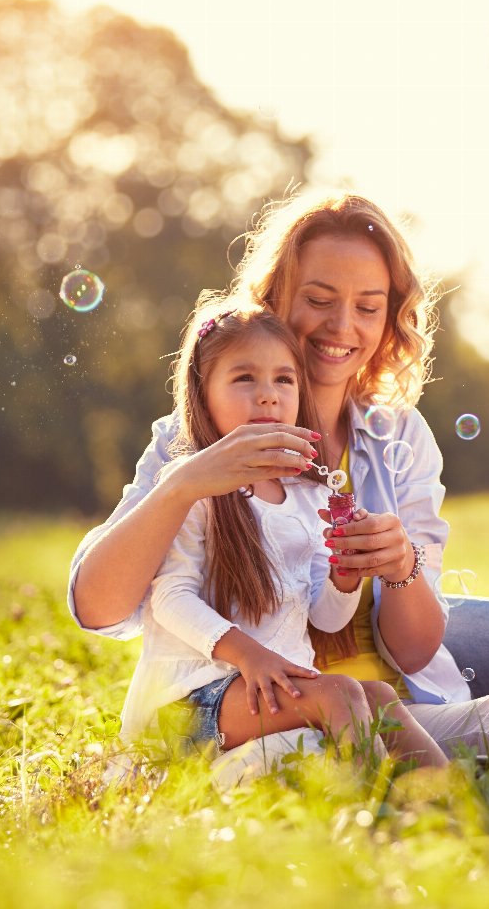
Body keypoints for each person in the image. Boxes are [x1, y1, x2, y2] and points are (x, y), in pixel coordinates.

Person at [70, 189, 489, 795]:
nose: (342, 327)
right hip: (259, 721)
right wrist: (183, 483)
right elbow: (99, 608)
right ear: (274, 299)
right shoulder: (198, 437)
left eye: (369, 306)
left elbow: (411, 653)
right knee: (320, 766)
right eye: (318, 300)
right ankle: (450, 815)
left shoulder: (399, 437)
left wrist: (399, 566)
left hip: (394, 713)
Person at [121, 303, 446, 770]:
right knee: (339, 692)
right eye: (244, 378)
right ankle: (379, 810)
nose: (268, 396)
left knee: (377, 697)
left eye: (284, 380)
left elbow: (326, 619)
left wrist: (344, 578)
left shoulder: (304, 495)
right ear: (202, 393)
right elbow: (168, 598)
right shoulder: (193, 485)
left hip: (268, 689)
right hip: (186, 702)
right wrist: (251, 657)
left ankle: (454, 802)